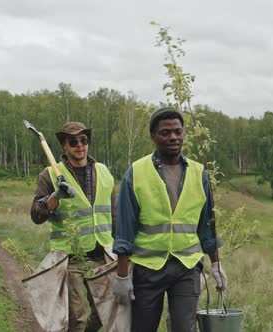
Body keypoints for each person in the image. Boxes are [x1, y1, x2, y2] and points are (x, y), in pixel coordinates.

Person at [112, 106, 227, 332]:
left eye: (178, 131)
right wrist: (122, 276)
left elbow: (207, 225)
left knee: (185, 328)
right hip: (148, 269)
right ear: (153, 136)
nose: (173, 137)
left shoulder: (199, 173)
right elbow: (125, 229)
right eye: (165, 132)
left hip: (186, 267)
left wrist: (215, 264)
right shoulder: (136, 173)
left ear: (183, 133)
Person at [30, 121, 116, 332]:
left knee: (103, 313)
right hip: (71, 256)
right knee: (76, 318)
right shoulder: (49, 175)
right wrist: (54, 197)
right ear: (64, 146)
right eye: (73, 141)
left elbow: (114, 212)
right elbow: (36, 215)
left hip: (102, 253)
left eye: (84, 140)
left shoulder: (103, 171)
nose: (80, 145)